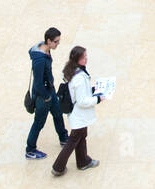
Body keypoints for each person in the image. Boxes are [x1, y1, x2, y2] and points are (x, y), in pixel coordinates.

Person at [51, 45, 102, 177]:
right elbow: (82, 101)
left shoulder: (73, 71)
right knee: (73, 140)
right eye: (84, 57)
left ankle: (83, 161)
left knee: (81, 135)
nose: (86, 59)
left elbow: (80, 93)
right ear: (77, 59)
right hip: (79, 114)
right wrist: (98, 99)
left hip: (77, 114)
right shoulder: (79, 78)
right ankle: (58, 167)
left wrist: (92, 90)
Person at [25, 27, 69, 160]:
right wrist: (47, 97)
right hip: (43, 95)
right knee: (39, 122)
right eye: (56, 42)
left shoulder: (44, 48)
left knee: (57, 113)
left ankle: (63, 138)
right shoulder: (40, 60)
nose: (58, 44)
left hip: (49, 90)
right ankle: (30, 149)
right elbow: (38, 83)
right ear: (48, 41)